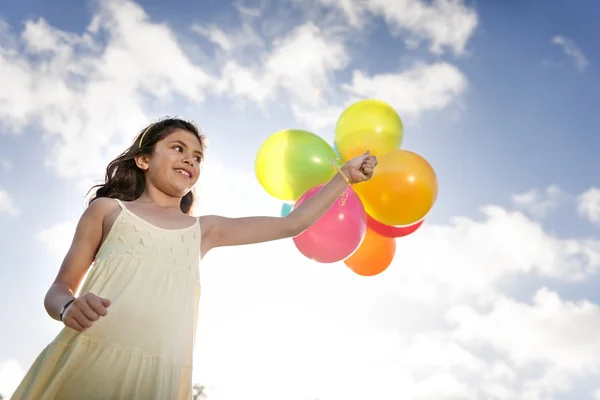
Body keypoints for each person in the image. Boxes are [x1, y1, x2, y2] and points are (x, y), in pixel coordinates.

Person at [11, 117, 377, 400]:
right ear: (143, 159)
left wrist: (344, 176)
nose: (189, 159)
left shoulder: (204, 231)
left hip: (160, 379)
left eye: (197, 156)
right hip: (87, 362)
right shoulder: (108, 211)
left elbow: (292, 224)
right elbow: (59, 288)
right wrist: (67, 308)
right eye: (177, 148)